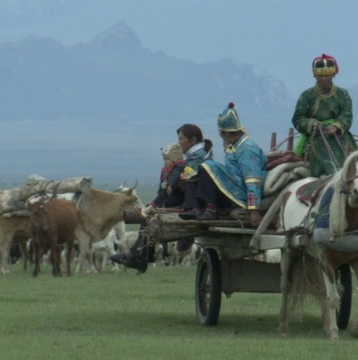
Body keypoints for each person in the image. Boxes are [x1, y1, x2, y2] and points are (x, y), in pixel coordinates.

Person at [110, 124, 212, 273]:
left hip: (194, 206)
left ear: (192, 139)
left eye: (181, 138)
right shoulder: (197, 157)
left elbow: (190, 188)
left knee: (152, 217)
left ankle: (138, 256)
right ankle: (138, 255)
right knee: (150, 215)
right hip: (192, 204)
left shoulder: (195, 159)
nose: (179, 142)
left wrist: (186, 206)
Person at [179, 102, 267, 227]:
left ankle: (211, 209)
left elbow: (252, 180)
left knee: (209, 165)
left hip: (242, 192)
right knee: (199, 170)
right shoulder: (235, 146)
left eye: (222, 134)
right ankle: (197, 208)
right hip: (234, 185)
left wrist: (254, 209)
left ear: (228, 133)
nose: (221, 137)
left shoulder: (247, 148)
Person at [292, 53, 358, 177]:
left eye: (328, 75)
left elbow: (347, 114)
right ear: (314, 75)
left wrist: (336, 126)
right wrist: (312, 124)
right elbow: (298, 118)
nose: (324, 79)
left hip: (340, 137)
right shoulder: (307, 96)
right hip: (316, 137)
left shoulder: (343, 94)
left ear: (333, 75)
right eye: (321, 76)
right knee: (322, 163)